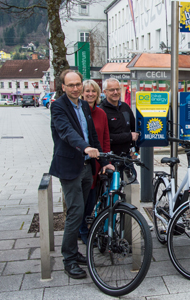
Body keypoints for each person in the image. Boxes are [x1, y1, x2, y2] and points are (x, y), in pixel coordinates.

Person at [49, 70, 113, 279]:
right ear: (63, 87)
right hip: (70, 167)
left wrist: (103, 161)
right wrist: (85, 148)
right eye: (71, 85)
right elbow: (66, 132)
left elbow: (93, 135)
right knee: (75, 211)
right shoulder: (58, 106)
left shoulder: (84, 105)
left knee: (83, 211)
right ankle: (68, 259)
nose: (76, 88)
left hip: (88, 167)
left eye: (78, 84)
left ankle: (74, 253)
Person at [78, 80, 111, 245]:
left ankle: (86, 227)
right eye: (87, 91)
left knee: (93, 198)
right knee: (84, 199)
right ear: (82, 93)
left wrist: (106, 161)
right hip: (83, 163)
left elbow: (105, 139)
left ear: (98, 94)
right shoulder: (78, 112)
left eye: (93, 91)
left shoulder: (101, 113)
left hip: (98, 163)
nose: (90, 94)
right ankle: (82, 229)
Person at [100, 78, 139, 164]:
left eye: (117, 89)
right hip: (110, 158)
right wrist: (128, 136)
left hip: (127, 156)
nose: (115, 92)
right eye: (111, 90)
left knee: (132, 177)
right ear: (105, 92)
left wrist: (135, 150)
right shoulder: (102, 110)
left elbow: (135, 129)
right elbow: (106, 137)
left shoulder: (125, 107)